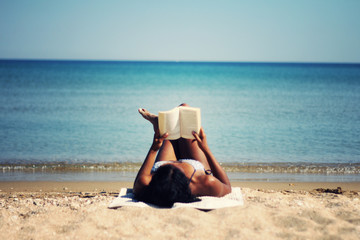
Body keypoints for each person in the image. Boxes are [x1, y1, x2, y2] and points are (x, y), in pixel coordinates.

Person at [133, 103, 231, 207]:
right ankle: (160, 124)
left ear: (156, 180)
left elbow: (138, 184)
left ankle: (159, 124)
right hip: (194, 164)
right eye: (179, 171)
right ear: (185, 182)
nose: (175, 165)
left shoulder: (146, 184)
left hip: (164, 162)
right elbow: (227, 187)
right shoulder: (205, 183)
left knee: (169, 129)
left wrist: (154, 148)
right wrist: (205, 148)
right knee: (184, 109)